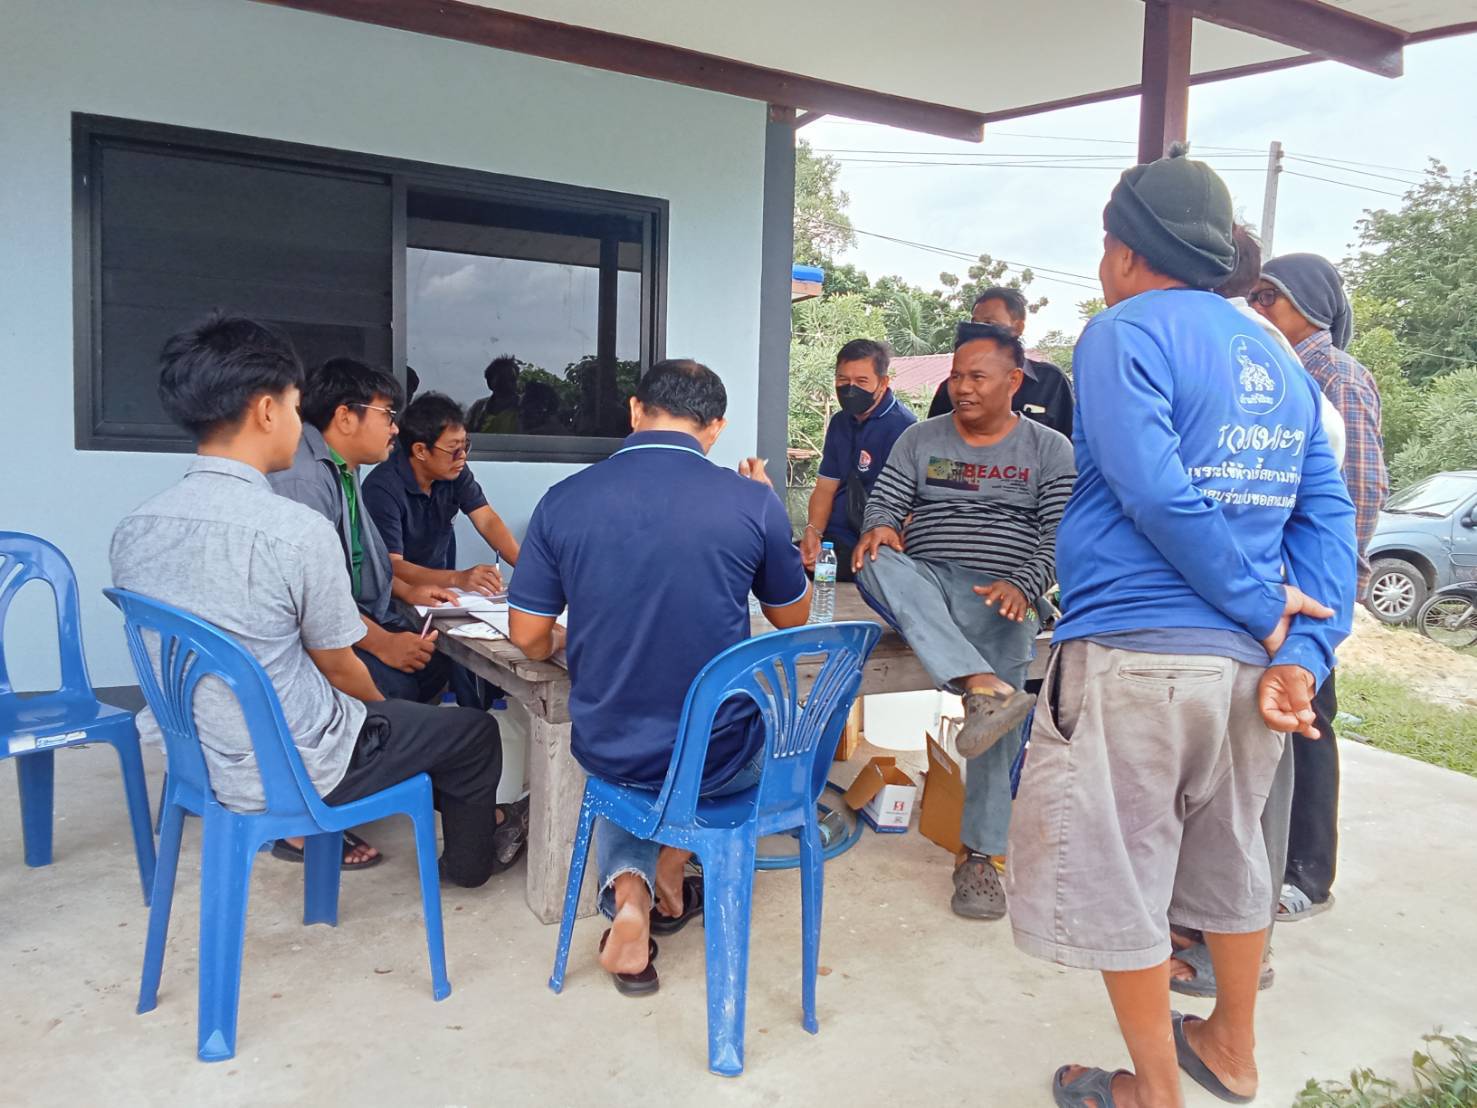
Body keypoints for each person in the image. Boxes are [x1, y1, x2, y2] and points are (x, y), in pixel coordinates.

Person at [1005, 149, 1356, 1108]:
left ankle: (1151, 1092)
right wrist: (1300, 651)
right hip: (1247, 677)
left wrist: (1259, 604)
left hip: (1135, 657)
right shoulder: (1277, 356)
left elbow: (1153, 491)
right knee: (1230, 854)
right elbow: (1325, 516)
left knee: (1119, 873)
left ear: (1124, 251)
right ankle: (1230, 1047)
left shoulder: (1121, 332)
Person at [110, 315, 510, 886]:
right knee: (472, 733)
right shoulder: (294, 528)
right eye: (297, 408)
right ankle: (472, 868)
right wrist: (389, 722)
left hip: (201, 757)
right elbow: (340, 667)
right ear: (266, 411)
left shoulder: (134, 528)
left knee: (419, 696)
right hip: (294, 762)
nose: (303, 426)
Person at [506, 359, 811, 995]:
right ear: (716, 427)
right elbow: (793, 616)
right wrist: (770, 513)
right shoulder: (750, 502)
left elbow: (527, 637)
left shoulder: (564, 500)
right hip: (722, 757)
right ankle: (673, 859)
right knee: (737, 746)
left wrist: (570, 638)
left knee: (629, 777)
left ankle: (632, 896)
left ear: (635, 410)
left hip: (610, 743)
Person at [1167, 226, 1350, 998]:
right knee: (1224, 793)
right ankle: (1201, 931)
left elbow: (1344, 503)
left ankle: (1240, 955)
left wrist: (1310, 626)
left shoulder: (1314, 376)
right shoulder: (1246, 361)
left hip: (1279, 609)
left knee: (1257, 795)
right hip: (1252, 606)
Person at [852, 321, 1074, 920]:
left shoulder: (1049, 448)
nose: (963, 387)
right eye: (956, 376)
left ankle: (979, 856)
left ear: (1014, 381)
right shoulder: (920, 438)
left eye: (977, 376)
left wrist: (1025, 584)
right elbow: (886, 499)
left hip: (1003, 597)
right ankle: (982, 686)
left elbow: (1062, 534)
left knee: (995, 733)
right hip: (926, 584)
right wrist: (881, 524)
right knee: (875, 561)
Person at [1254, 252, 1388, 921]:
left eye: (1268, 298)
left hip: (1313, 587)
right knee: (1273, 724)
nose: (1257, 311)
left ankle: (1306, 873)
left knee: (1307, 722)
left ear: (1306, 307)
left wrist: (1330, 591)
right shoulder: (1273, 368)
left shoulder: (1333, 373)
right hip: (1277, 581)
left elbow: (1358, 488)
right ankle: (1265, 861)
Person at [363, 391, 520, 597]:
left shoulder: (454, 471)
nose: (462, 457)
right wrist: (457, 578)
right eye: (454, 450)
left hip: (442, 591)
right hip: (397, 595)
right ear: (421, 451)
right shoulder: (382, 489)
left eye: (465, 446)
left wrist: (528, 567)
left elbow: (487, 520)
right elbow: (393, 566)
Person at [800, 339, 916, 580]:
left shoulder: (904, 428)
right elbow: (825, 488)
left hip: (876, 543)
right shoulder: (840, 422)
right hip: (835, 539)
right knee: (782, 560)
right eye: (843, 380)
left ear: (883, 383)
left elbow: (910, 505)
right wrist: (813, 533)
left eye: (862, 381)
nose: (850, 389)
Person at [927, 286, 1074, 437]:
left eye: (989, 324)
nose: (978, 332)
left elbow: (1071, 441)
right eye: (974, 324)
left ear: (1018, 327)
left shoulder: (1052, 382)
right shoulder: (952, 389)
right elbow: (931, 441)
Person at [466, 355, 522, 434]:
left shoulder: (526, 407)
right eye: (502, 378)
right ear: (489, 382)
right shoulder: (479, 407)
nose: (506, 383)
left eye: (511, 378)